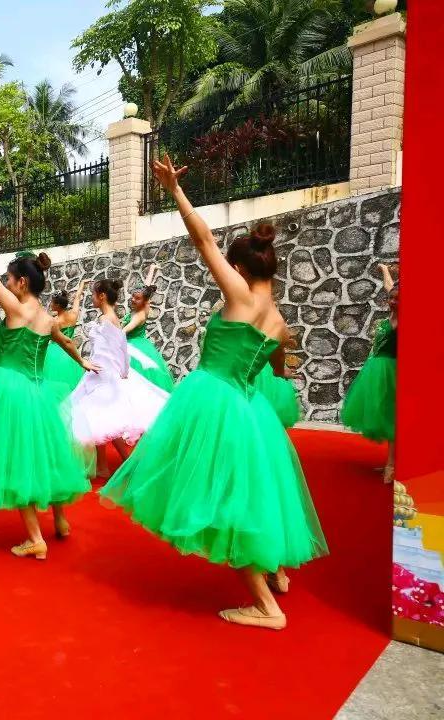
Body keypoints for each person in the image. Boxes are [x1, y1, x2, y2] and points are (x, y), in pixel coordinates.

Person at [101, 155, 328, 630]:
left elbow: (203, 239)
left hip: (214, 401)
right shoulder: (281, 324)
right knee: (255, 492)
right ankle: (277, 570)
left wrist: (174, 191)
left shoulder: (241, 296)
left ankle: (267, 606)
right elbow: (280, 369)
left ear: (243, 270)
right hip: (248, 408)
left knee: (224, 499)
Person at [0, 206, 95, 558]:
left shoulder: (15, 309)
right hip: (39, 392)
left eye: (9, 279)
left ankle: (35, 539)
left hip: (10, 390)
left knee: (17, 461)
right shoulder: (48, 319)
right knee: (47, 455)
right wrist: (83, 361)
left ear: (22, 282)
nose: (6, 282)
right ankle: (59, 521)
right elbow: (69, 342)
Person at [68, 278, 170, 476]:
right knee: (103, 420)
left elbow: (117, 346)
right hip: (103, 372)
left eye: (93, 294)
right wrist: (122, 368)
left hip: (102, 373)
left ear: (102, 296)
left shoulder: (106, 320)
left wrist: (119, 369)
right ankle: (116, 463)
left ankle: (111, 465)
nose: (92, 298)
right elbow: (120, 347)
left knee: (96, 418)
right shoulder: (112, 318)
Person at [342, 263, 398, 482]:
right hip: (376, 368)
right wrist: (385, 271)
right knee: (384, 414)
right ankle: (391, 462)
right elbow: (390, 287)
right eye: (391, 297)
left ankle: (392, 465)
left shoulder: (405, 320)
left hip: (391, 370)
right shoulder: (392, 313)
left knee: (393, 417)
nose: (392, 300)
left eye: (397, 298)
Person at [122, 264, 176, 392]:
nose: (133, 300)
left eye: (137, 298)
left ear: (145, 301)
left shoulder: (139, 315)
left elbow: (123, 331)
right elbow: (147, 288)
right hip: (137, 344)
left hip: (134, 348)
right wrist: (152, 269)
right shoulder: (143, 301)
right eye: (133, 296)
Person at [42, 276, 89, 402]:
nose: (50, 304)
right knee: (72, 385)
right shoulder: (73, 315)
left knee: (55, 385)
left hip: (55, 355)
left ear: (57, 305)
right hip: (70, 353)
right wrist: (81, 286)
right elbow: (77, 299)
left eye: (52, 302)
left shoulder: (54, 322)